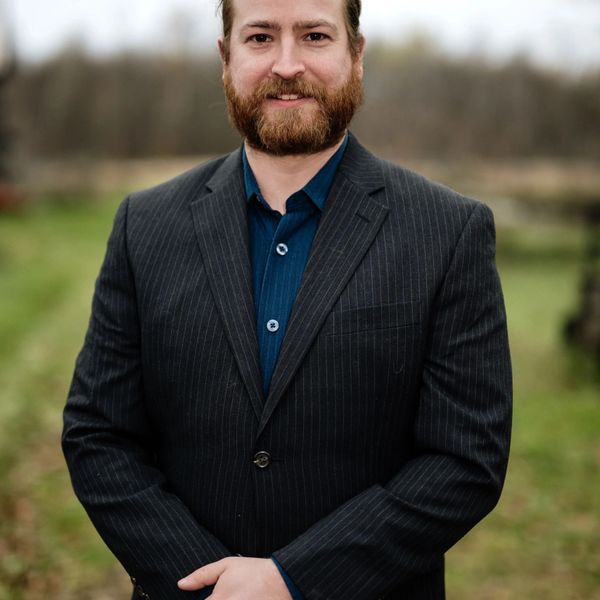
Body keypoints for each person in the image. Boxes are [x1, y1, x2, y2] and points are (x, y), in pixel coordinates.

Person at [62, 0, 512, 598]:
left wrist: (293, 580)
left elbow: (465, 461)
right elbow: (98, 433)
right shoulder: (144, 226)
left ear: (356, 54)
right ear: (226, 58)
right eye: (260, 37)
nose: (287, 63)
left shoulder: (448, 231)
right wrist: (210, 585)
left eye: (315, 35)